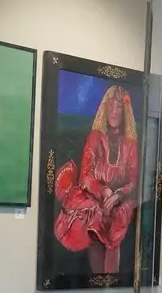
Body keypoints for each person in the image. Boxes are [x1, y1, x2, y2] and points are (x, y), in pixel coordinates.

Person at [53, 84, 139, 275]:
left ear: (125, 111)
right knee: (94, 214)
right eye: (111, 106)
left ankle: (110, 279)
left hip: (121, 198)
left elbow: (133, 180)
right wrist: (103, 191)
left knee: (117, 216)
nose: (114, 112)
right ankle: (97, 279)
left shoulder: (131, 144)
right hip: (95, 193)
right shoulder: (95, 136)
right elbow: (86, 175)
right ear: (105, 107)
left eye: (119, 107)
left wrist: (117, 195)